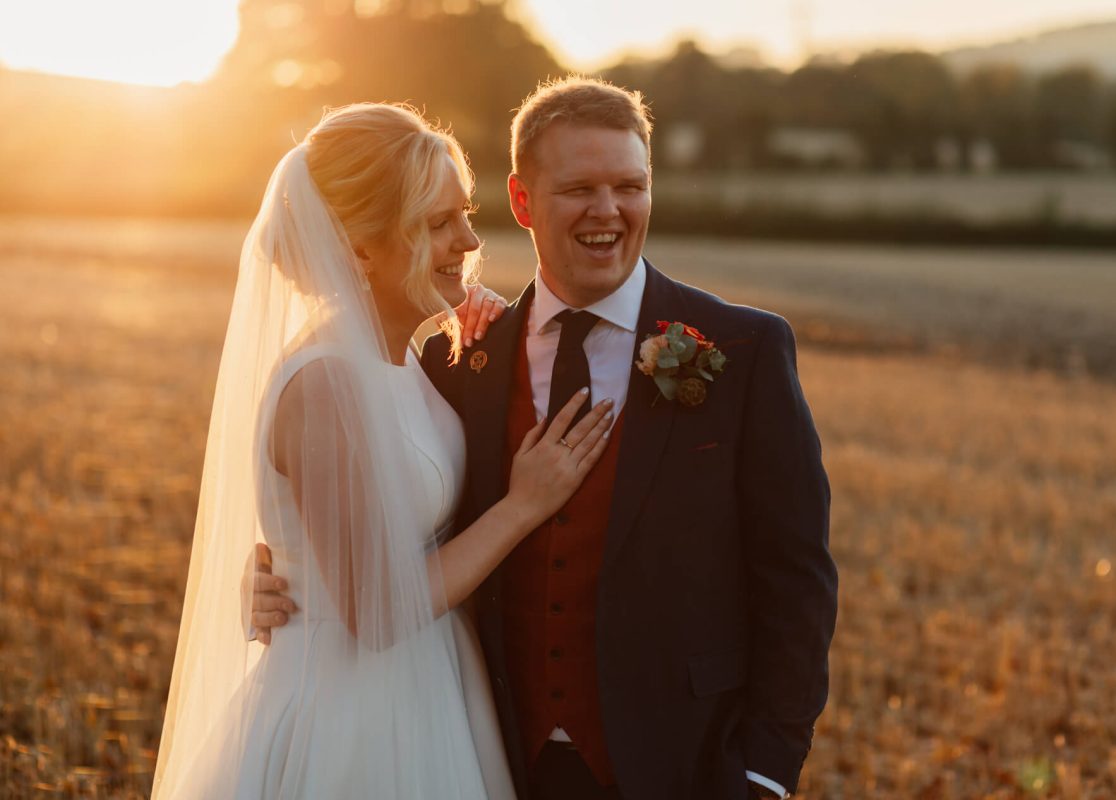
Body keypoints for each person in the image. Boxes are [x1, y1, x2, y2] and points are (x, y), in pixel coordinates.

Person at [256, 77, 838, 800]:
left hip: (685, 769)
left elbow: (797, 582)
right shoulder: (453, 360)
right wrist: (279, 584)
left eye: (631, 185)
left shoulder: (743, 350)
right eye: (580, 188)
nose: (609, 210)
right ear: (525, 202)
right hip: (493, 753)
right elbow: (355, 530)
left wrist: (764, 773)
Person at [152, 102, 615, 800]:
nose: (468, 239)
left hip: (433, 686)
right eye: (436, 224)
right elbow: (373, 612)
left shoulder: (405, 358)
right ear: (360, 247)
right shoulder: (325, 382)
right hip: (351, 714)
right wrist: (524, 506)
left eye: (464, 213)